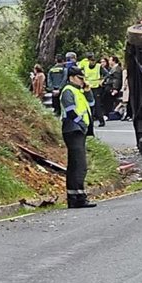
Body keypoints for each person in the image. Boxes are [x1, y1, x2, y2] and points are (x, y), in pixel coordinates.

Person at [59, 67, 96, 208]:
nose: (82, 81)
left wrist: (88, 91)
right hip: (73, 130)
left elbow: (91, 105)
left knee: (77, 165)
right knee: (79, 165)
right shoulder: (68, 91)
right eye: (80, 78)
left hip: (78, 131)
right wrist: (81, 124)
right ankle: (77, 198)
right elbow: (70, 111)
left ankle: (77, 196)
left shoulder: (78, 91)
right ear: (71, 77)